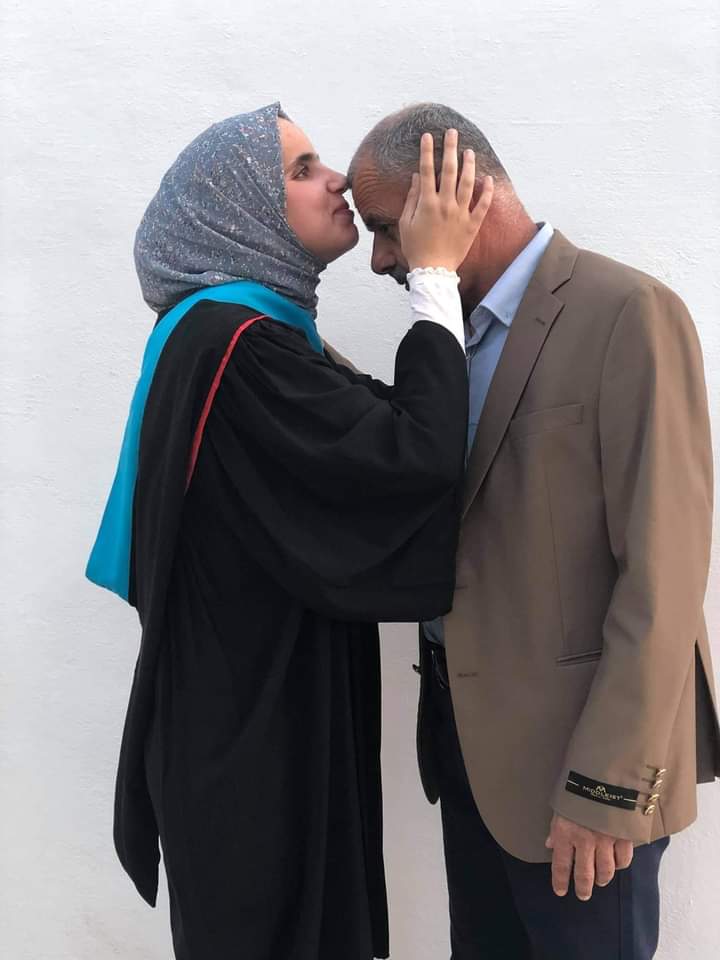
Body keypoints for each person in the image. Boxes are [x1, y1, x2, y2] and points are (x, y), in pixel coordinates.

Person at [85, 102, 493, 960]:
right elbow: (408, 457)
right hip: (253, 751)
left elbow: (368, 441)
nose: (335, 180)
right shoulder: (236, 346)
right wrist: (433, 275)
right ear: (240, 211)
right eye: (302, 170)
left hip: (254, 720)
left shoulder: (241, 336)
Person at [349, 102, 720, 960]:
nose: (380, 259)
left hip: (579, 779)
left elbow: (664, 573)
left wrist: (605, 788)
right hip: (471, 760)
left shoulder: (626, 312)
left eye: (386, 228)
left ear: (457, 190)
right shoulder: (441, 336)